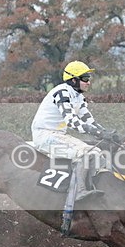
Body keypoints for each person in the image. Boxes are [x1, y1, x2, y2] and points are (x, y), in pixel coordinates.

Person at [31, 61, 114, 201]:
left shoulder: (78, 96)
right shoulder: (61, 92)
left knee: (96, 152)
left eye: (89, 78)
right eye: (85, 78)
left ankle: (92, 187)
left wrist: (106, 132)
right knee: (86, 153)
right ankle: (79, 191)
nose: (88, 82)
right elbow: (71, 121)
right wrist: (98, 133)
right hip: (44, 135)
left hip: (57, 135)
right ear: (74, 80)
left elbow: (88, 119)